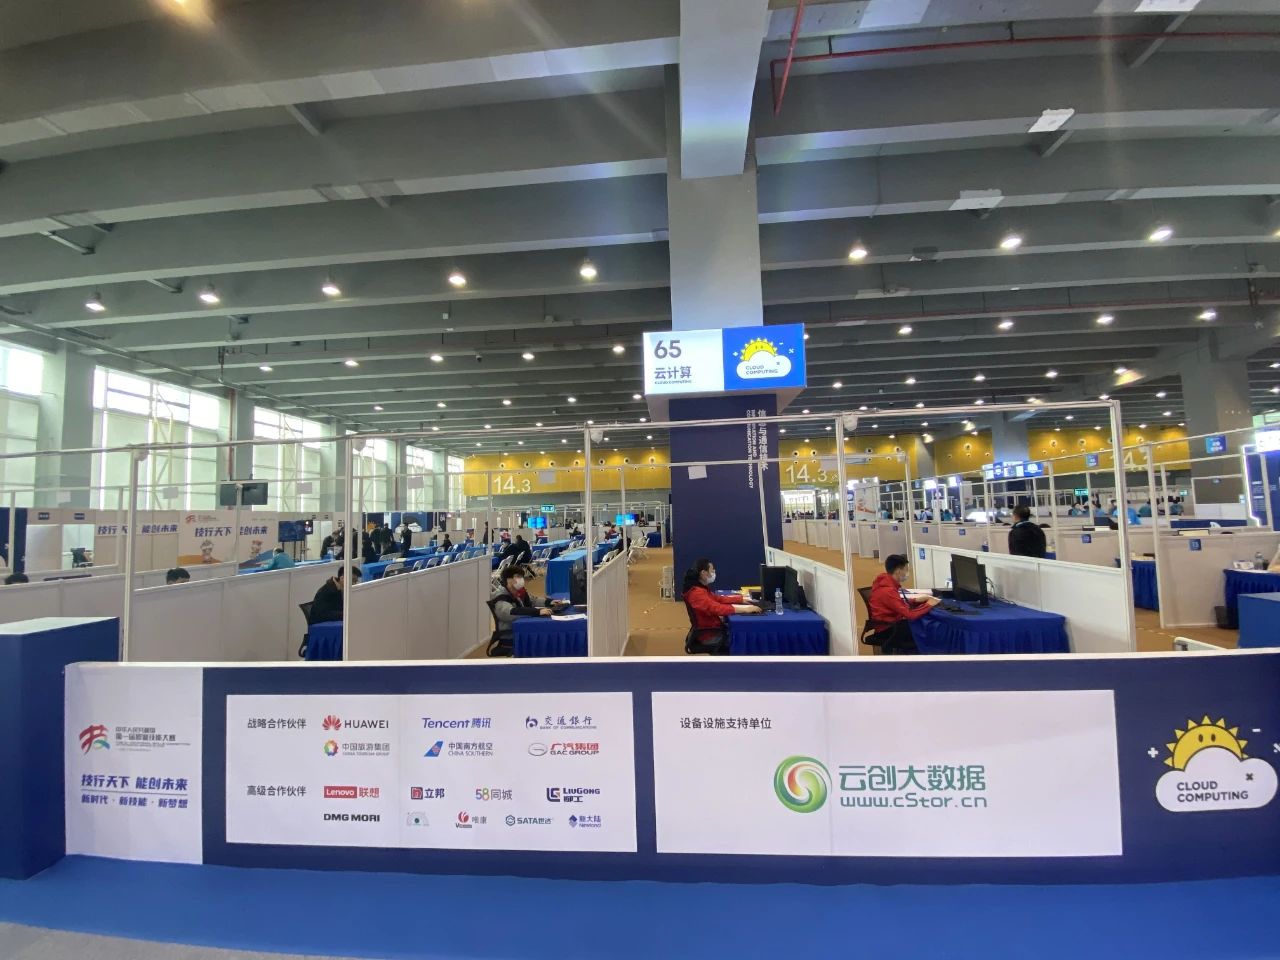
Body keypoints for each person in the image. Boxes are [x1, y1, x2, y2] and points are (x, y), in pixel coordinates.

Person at [680, 559, 761, 654]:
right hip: (710, 635)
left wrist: (741, 599)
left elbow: (718, 599)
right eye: (712, 570)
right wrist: (745, 610)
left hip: (712, 629)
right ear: (704, 573)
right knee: (746, 640)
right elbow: (717, 608)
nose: (714, 572)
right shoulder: (696, 593)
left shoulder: (699, 588)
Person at [867, 555, 940, 655]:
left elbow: (894, 603)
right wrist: (929, 604)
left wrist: (915, 600)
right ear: (898, 571)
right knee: (926, 629)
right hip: (889, 629)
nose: (907, 573)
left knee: (921, 625)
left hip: (888, 624)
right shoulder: (888, 591)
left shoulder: (884, 583)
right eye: (906, 569)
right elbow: (910, 615)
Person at [488, 565, 562, 655]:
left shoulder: (519, 591)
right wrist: (537, 612)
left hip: (524, 626)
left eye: (521, 576)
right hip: (511, 633)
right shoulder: (500, 597)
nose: (521, 579)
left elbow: (533, 600)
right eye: (517, 576)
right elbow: (511, 612)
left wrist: (550, 602)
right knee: (545, 635)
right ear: (508, 579)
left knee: (549, 630)